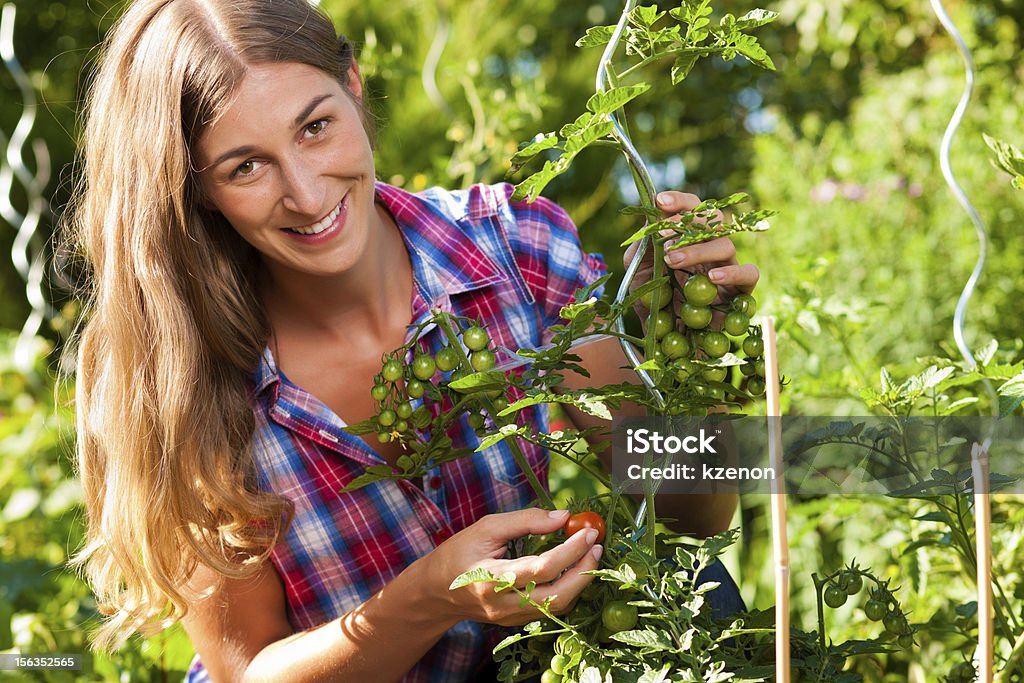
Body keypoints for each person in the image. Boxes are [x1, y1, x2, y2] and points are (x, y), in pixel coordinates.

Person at [65, 0, 759, 681]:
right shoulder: (181, 378)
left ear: (354, 84)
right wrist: (428, 597)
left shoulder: (514, 249)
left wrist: (696, 358)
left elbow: (692, 510)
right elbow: (247, 670)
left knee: (695, 584)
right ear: (198, 191)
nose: (307, 195)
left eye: (315, 126)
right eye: (246, 166)